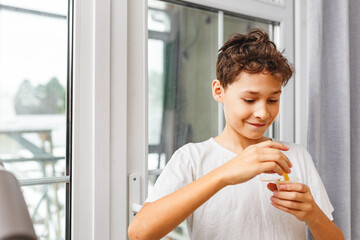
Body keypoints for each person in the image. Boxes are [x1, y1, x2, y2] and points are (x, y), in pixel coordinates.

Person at [128, 28, 344, 240]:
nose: (263, 113)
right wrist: (224, 174)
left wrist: (314, 216)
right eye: (249, 100)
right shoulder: (191, 159)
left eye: (273, 100)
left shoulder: (296, 157)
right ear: (218, 91)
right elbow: (140, 233)